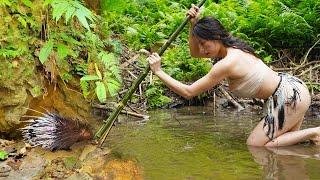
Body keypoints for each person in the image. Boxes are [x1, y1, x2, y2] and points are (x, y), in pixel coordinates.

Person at [147, 5, 319, 147]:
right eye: (199, 44)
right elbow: (195, 54)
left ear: (216, 37)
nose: (201, 49)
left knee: (257, 145)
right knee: (287, 150)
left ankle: (315, 131)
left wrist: (159, 71)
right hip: (292, 90)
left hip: (289, 98)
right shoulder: (232, 46)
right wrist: (193, 25)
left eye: (203, 43)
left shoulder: (227, 63)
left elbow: (189, 92)